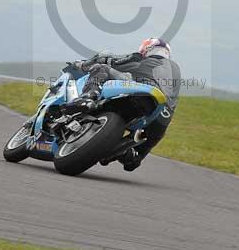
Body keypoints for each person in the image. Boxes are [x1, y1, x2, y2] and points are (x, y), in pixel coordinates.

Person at [67, 37, 181, 172]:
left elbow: (111, 61)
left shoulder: (141, 58)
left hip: (141, 92)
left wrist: (81, 65)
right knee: (133, 161)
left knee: (101, 68)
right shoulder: (175, 70)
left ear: (147, 49)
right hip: (161, 116)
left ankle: (87, 98)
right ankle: (125, 153)